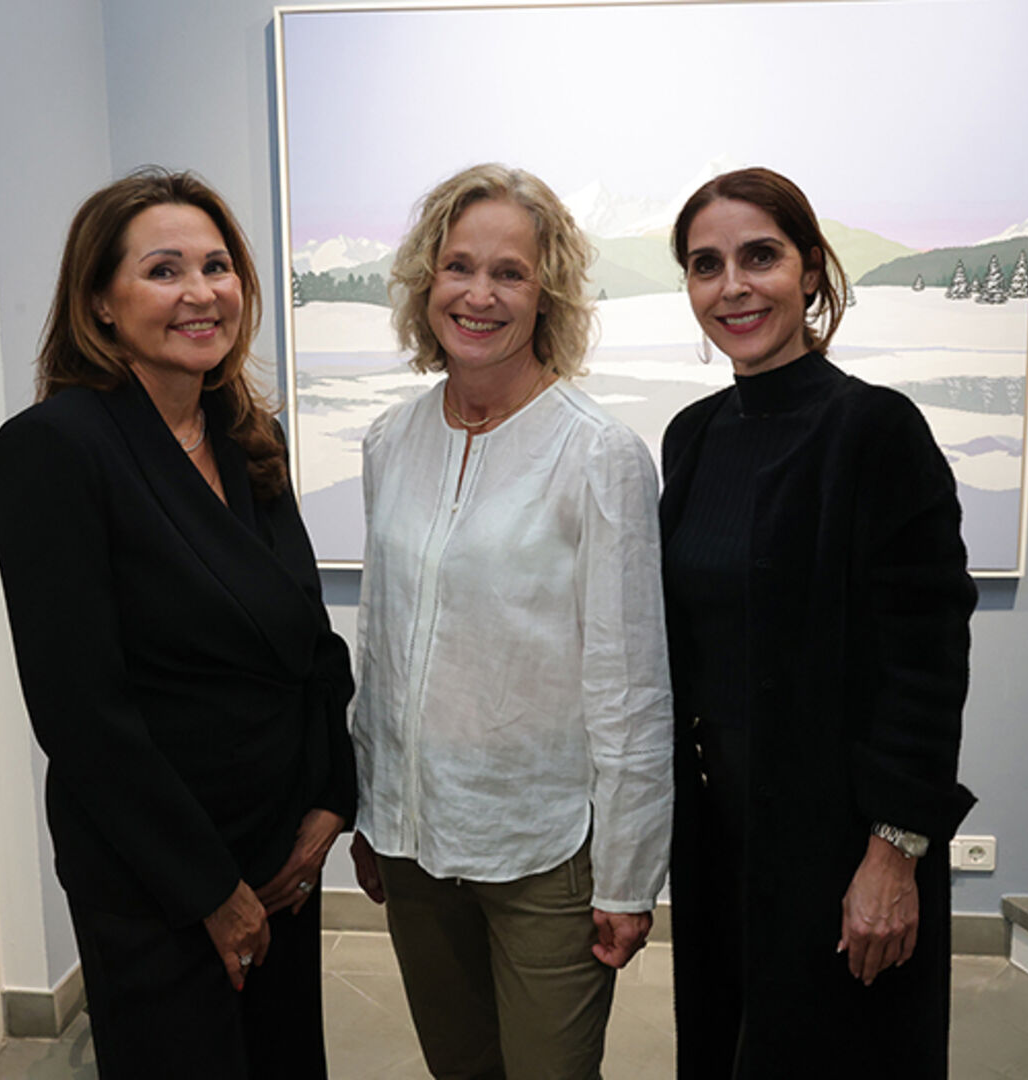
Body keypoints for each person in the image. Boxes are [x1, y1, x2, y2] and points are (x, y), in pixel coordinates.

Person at [0, 168, 355, 1078]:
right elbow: (81, 712)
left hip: (278, 852)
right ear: (100, 303)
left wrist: (328, 803)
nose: (200, 292)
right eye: (163, 270)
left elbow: (309, 642)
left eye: (216, 266)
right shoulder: (56, 447)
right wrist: (211, 893)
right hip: (157, 871)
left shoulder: (247, 433)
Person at [347, 163, 672, 1080]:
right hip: (412, 843)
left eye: (509, 273)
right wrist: (372, 810)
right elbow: (381, 643)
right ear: (425, 283)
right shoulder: (391, 442)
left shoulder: (598, 456)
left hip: (543, 851)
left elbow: (630, 683)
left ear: (546, 295)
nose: (478, 295)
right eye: (457, 267)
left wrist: (629, 873)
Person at [660, 167, 977, 1077]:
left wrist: (893, 853)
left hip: (841, 841)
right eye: (706, 265)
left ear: (809, 270)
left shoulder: (874, 430)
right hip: (718, 833)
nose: (732, 287)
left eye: (758, 257)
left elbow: (926, 663)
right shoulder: (692, 435)